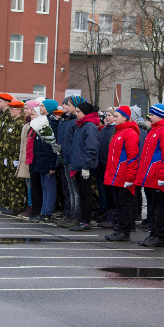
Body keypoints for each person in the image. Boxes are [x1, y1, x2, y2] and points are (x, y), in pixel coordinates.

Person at [136, 104, 164, 247]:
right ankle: (153, 234)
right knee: (152, 207)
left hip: (157, 176)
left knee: (158, 208)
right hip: (150, 176)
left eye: (152, 115)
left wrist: (163, 176)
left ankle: (159, 236)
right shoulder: (154, 130)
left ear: (159, 115)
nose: (150, 117)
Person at [104, 106, 142, 239]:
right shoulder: (118, 132)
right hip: (116, 175)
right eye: (113, 116)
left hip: (124, 175)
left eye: (116, 116)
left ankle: (125, 230)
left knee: (125, 203)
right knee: (119, 203)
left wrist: (130, 178)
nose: (113, 118)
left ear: (125, 117)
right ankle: (121, 227)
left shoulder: (130, 133)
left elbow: (133, 157)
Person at [66, 97, 102, 230]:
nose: (76, 114)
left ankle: (86, 221)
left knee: (86, 194)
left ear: (86, 113)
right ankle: (82, 219)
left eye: (79, 111)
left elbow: (91, 149)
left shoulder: (89, 126)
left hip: (84, 167)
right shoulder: (80, 125)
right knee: (81, 194)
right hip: (78, 166)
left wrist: (86, 167)